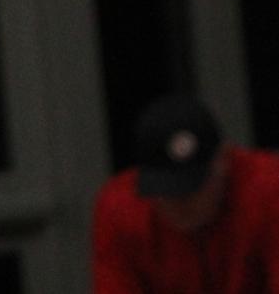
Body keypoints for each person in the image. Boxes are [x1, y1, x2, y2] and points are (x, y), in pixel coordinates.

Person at [92, 92, 279, 293]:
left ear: (223, 161)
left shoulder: (267, 188)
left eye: (193, 187)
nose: (180, 202)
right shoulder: (121, 208)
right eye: (166, 190)